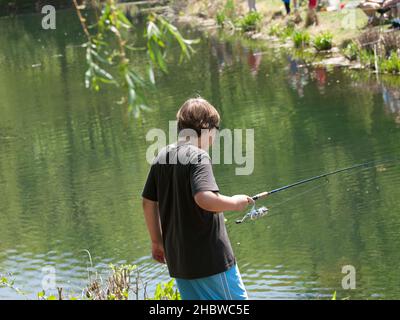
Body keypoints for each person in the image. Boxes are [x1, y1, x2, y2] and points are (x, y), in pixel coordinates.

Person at [142, 98, 254, 300]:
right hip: (210, 260)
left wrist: (156, 241)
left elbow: (148, 203)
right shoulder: (198, 157)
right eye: (216, 128)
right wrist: (235, 203)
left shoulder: (162, 156)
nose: (215, 135)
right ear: (205, 127)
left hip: (180, 261)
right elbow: (203, 198)